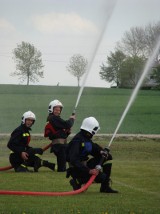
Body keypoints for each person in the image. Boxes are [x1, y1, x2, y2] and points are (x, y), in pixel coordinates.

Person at [66, 116, 118, 193]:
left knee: (106, 157)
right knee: (102, 177)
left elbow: (94, 147)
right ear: (91, 129)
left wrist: (102, 152)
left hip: (84, 166)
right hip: (77, 168)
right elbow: (74, 160)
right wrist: (89, 171)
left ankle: (105, 188)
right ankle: (78, 181)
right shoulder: (77, 139)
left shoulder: (86, 138)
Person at [44, 99, 75, 172]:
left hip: (60, 144)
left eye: (59, 110)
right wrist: (72, 119)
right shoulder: (53, 118)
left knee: (66, 158)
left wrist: (67, 133)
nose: (58, 111)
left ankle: (72, 169)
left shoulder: (54, 118)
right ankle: (65, 170)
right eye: (56, 110)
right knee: (63, 162)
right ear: (51, 109)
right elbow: (67, 124)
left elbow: (59, 134)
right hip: (59, 145)